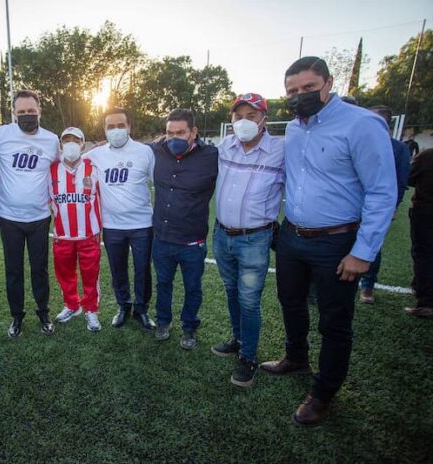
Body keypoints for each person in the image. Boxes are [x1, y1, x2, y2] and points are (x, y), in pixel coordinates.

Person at [260, 57, 396, 426]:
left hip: (336, 242)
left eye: (308, 88)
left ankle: (323, 393)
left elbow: (382, 192)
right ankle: (296, 358)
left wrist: (362, 251)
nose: (299, 96)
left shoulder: (361, 124)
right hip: (292, 236)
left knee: (334, 321)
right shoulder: (293, 128)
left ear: (328, 83)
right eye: (292, 91)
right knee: (290, 303)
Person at [211, 94, 284, 387]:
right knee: (231, 291)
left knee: (249, 300)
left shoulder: (281, 150)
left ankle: (248, 357)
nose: (244, 122)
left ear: (264, 119)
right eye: (238, 116)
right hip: (221, 233)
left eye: (251, 116)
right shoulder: (225, 146)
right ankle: (238, 339)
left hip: (254, 238)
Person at [0, 90, 59, 338]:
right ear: (14, 113)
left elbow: (64, 167)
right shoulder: (1, 134)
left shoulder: (51, 139)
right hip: (9, 217)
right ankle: (16, 317)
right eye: (22, 112)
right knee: (13, 270)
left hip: (39, 218)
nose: (27, 115)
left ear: (39, 111)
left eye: (31, 111)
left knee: (40, 269)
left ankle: (43, 312)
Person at [148, 109, 217, 350]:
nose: (174, 137)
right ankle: (163, 322)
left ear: (193, 132)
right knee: (163, 283)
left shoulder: (211, 156)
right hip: (162, 238)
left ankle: (189, 328)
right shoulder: (157, 150)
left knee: (193, 287)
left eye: (180, 132)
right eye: (169, 132)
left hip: (192, 241)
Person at [86, 108, 156, 331]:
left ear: (129, 127)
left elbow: (158, 182)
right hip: (112, 225)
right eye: (110, 126)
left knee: (142, 268)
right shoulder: (96, 155)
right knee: (118, 269)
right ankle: (123, 306)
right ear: (104, 130)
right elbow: (71, 159)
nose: (116, 130)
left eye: (120, 126)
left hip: (142, 224)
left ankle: (142, 309)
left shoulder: (145, 152)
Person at [50, 127, 103, 332]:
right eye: (66, 140)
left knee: (91, 274)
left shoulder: (93, 166)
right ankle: (72, 305)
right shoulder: (52, 169)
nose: (71, 144)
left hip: (89, 233)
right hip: (63, 234)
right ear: (61, 145)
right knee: (65, 274)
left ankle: (91, 309)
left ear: (82, 144)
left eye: (75, 140)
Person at [359, 105, 411, 304]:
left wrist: (391, 208)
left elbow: (399, 181)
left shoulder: (398, 149)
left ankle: (367, 287)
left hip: (376, 208)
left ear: (386, 124)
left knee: (371, 246)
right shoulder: (359, 144)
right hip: (350, 207)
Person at [405, 148, 433, 317]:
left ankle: (426, 302)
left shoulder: (427, 156)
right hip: (425, 212)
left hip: (426, 212)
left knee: (424, 255)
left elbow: (409, 178)